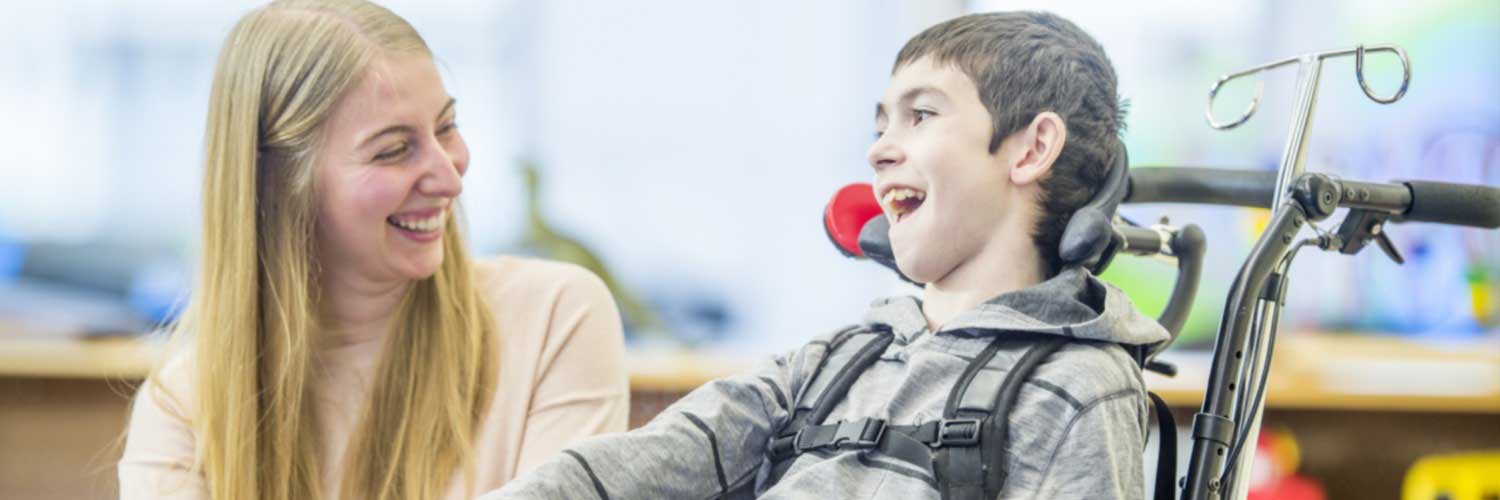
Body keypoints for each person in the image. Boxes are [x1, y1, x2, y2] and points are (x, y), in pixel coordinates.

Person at [480, 11, 1166, 500]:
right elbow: (625, 471)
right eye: (879, 124)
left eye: (921, 115)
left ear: (1030, 148)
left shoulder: (1078, 387)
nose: (879, 148)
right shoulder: (831, 361)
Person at [117, 2, 628, 499]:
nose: (450, 177)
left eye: (446, 127)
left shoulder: (556, 319)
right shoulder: (183, 407)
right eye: (393, 150)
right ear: (276, 184)